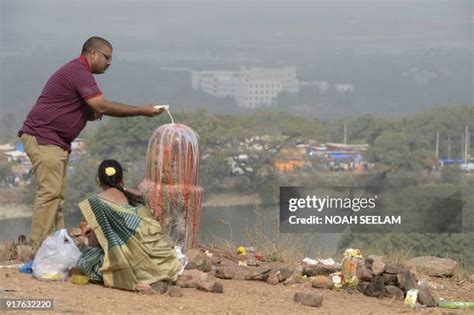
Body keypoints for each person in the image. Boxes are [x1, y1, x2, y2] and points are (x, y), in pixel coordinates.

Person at [17, 36, 166, 249]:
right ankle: (38, 248)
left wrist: (93, 111)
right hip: (44, 137)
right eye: (107, 57)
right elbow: (101, 106)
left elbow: (92, 110)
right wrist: (142, 111)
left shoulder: (79, 73)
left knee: (56, 197)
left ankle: (56, 245)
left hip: (56, 142)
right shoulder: (78, 71)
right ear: (92, 53)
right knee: (50, 193)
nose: (109, 62)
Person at [76, 159, 180, 293]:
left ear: (98, 180)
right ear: (121, 178)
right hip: (164, 259)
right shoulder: (136, 194)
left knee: (86, 262)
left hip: (135, 265)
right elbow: (145, 226)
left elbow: (95, 243)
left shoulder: (97, 202)